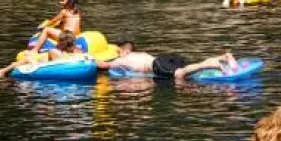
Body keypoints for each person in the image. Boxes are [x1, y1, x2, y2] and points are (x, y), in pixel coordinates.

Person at [96, 40, 240, 79]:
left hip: (157, 65)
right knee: (192, 66)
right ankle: (224, 57)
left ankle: (213, 64)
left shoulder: (121, 59)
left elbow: (103, 64)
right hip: (164, 57)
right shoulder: (138, 53)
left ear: (122, 50)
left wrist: (89, 58)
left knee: (180, 74)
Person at [0, 31, 80, 77]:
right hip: (42, 61)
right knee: (25, 60)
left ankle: (2, 71)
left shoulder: (55, 51)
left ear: (62, 43)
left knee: (26, 59)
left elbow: (55, 66)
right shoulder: (74, 51)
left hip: (39, 64)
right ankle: (4, 71)